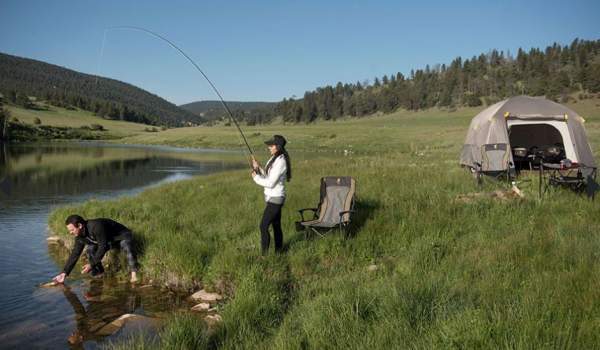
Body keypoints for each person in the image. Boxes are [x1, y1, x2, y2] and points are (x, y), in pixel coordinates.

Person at [52, 215, 139, 283]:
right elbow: (75, 253)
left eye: (72, 230)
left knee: (126, 244)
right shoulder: (79, 237)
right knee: (90, 249)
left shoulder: (96, 226)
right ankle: (99, 273)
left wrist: (91, 264)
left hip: (120, 237)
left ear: (79, 225)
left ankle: (134, 273)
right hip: (108, 241)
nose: (71, 233)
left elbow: (103, 247)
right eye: (69, 231)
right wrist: (64, 273)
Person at [251, 135, 292, 254]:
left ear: (278, 147)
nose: (269, 147)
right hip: (272, 198)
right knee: (276, 225)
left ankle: (264, 255)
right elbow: (269, 175)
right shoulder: (274, 158)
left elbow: (270, 183)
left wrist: (256, 178)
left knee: (263, 226)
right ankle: (279, 252)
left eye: (271, 145)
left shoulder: (281, 161)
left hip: (276, 199)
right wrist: (258, 168)